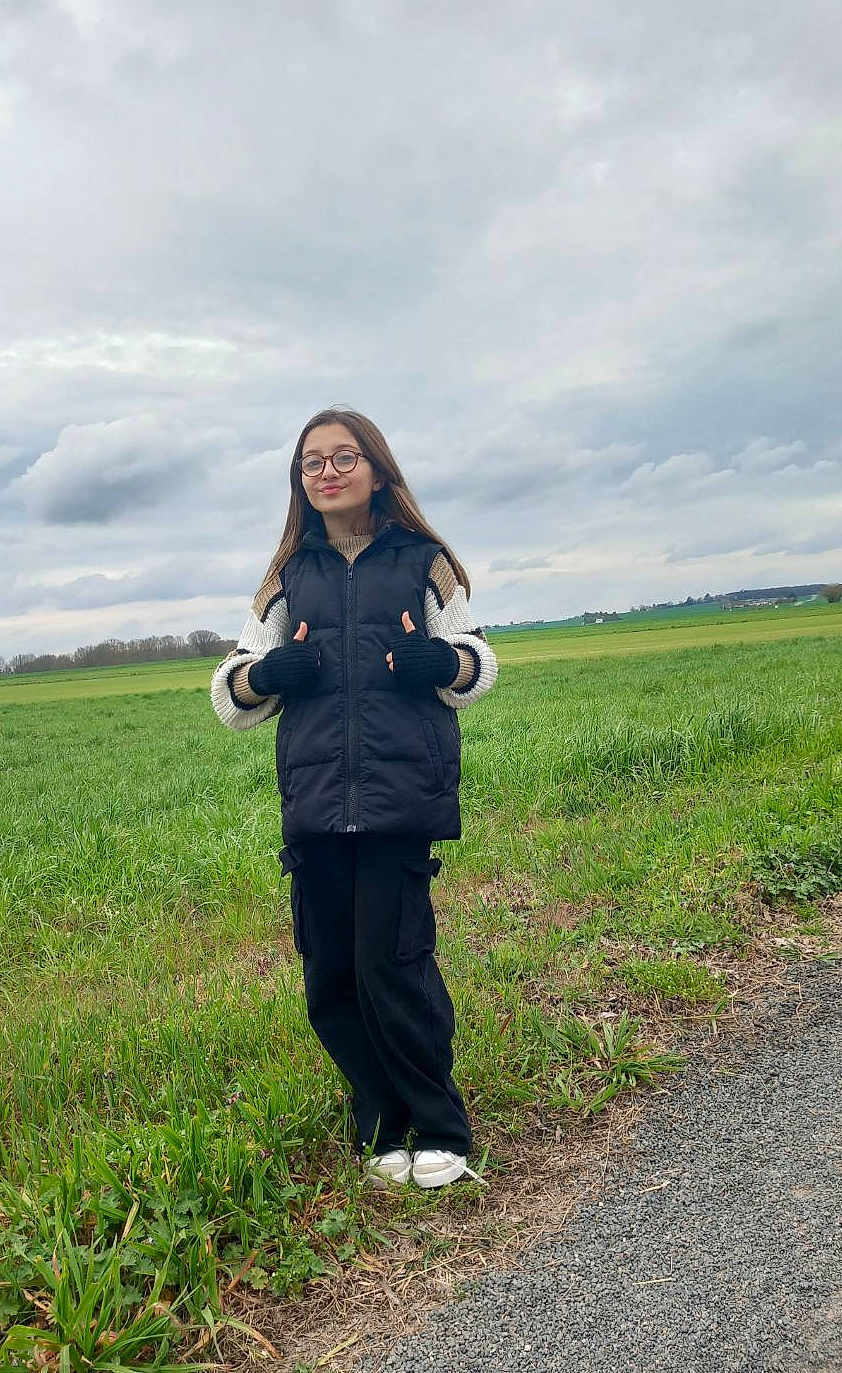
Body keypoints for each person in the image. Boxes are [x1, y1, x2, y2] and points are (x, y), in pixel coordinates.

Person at [210, 406, 498, 1189]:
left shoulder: (424, 561)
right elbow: (231, 695)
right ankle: (381, 1127)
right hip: (314, 803)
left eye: (344, 458)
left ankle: (440, 1128)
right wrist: (268, 677)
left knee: (394, 965)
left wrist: (435, 659)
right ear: (299, 482)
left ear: (377, 468)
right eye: (313, 463)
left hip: (400, 797)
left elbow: (479, 664)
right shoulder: (286, 578)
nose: (328, 472)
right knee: (331, 975)